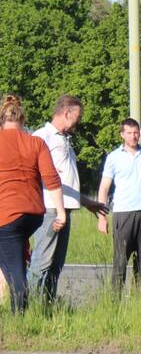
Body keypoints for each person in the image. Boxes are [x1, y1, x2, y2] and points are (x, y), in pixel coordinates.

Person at [28, 94, 107, 306]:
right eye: (77, 116)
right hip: (51, 209)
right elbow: (39, 176)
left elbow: (64, 181)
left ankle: (48, 305)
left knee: (56, 264)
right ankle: (31, 307)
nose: (79, 121)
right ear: (66, 112)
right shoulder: (42, 136)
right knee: (42, 262)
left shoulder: (65, 139)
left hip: (65, 209)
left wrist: (86, 202)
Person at [0, 95, 66, 313]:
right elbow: (52, 179)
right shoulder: (36, 142)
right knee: (12, 257)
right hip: (33, 214)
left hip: (7, 214)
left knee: (14, 270)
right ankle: (16, 307)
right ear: (23, 119)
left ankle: (21, 315)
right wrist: (61, 212)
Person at [96, 118, 141, 294]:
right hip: (123, 213)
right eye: (129, 133)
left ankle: (138, 301)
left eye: (136, 133)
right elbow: (104, 187)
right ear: (122, 135)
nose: (133, 136)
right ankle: (115, 301)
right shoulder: (113, 157)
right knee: (120, 262)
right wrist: (101, 217)